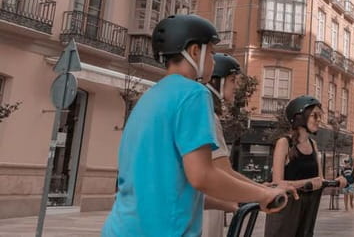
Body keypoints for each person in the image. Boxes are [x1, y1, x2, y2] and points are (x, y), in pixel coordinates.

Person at [102, 15, 289, 236]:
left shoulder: (150, 97)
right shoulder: (194, 93)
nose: (213, 61)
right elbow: (202, 176)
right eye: (211, 53)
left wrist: (240, 198)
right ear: (194, 52)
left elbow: (172, 190)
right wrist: (262, 195)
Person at [202, 54, 298, 237]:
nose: (236, 86)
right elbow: (223, 171)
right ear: (216, 81)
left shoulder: (208, 114)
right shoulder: (208, 116)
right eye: (232, 80)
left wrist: (263, 189)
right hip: (202, 216)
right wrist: (264, 192)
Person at [264, 95, 346, 237]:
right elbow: (277, 183)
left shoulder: (313, 145)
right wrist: (307, 182)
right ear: (300, 117)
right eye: (315, 116)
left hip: (307, 211)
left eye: (320, 116)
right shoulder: (284, 143)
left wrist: (336, 182)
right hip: (286, 211)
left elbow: (319, 180)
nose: (319, 120)